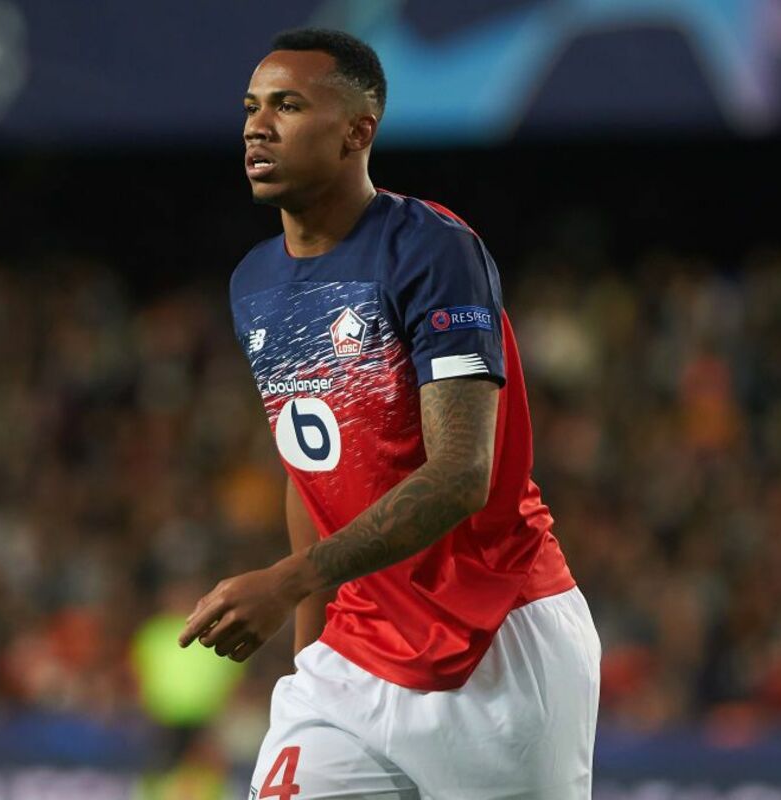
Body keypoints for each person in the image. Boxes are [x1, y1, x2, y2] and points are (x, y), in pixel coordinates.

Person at [178, 28, 600, 799]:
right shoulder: (255, 283)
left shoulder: (431, 251)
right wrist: (310, 653)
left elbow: (461, 475)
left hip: (497, 645)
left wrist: (287, 582)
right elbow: (312, 472)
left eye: (287, 106)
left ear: (356, 131)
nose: (257, 127)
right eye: (251, 108)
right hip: (354, 654)